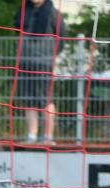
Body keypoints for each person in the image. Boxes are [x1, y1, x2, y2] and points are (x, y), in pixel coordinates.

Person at [15, 0, 65, 145]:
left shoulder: (54, 14)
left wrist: (49, 55)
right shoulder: (24, 11)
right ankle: (32, 135)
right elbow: (18, 31)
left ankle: (48, 136)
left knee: (46, 99)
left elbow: (61, 38)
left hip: (45, 63)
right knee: (28, 100)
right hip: (25, 62)